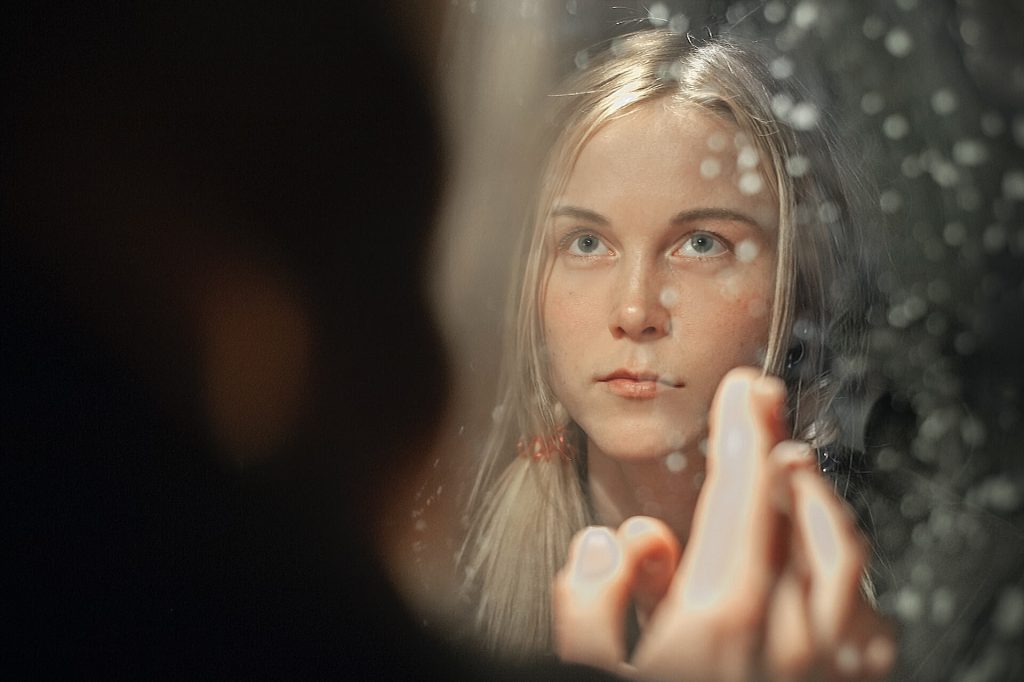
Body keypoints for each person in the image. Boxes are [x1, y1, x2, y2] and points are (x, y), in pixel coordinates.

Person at [459, 29, 895, 679]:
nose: (635, 312)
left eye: (701, 244)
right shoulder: (439, 582)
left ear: (800, 284)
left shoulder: (917, 591)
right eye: (585, 243)